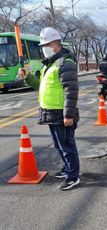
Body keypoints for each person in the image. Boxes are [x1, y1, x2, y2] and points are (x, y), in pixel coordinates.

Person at [19, 27, 80, 191]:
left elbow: (71, 91)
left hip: (62, 113)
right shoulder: (49, 65)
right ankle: (67, 168)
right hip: (51, 112)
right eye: (43, 45)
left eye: (46, 44)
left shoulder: (65, 63)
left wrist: (68, 115)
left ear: (56, 44)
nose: (43, 48)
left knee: (67, 146)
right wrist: (28, 78)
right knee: (59, 145)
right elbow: (41, 86)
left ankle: (73, 177)